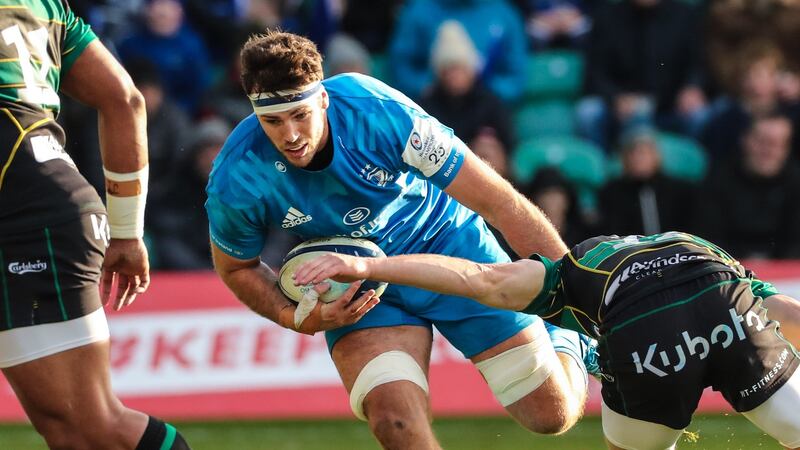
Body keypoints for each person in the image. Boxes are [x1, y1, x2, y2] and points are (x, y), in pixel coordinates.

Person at [206, 30, 596, 448]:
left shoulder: (379, 112)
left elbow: (501, 204)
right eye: (273, 121)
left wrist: (581, 292)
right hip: (358, 289)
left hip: (448, 246)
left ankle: (567, 341)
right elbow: (236, 267)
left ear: (323, 98)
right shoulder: (237, 176)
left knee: (550, 415)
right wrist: (296, 318)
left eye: (300, 114)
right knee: (395, 424)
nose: (291, 136)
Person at [294, 231, 800, 450]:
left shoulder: (569, 271)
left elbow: (477, 280)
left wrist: (367, 265)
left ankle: (580, 347)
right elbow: (779, 312)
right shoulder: (693, 245)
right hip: (727, 307)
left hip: (643, 336)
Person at [0, 1, 189, 449]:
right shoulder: (43, 5)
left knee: (91, 431)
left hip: (28, 218)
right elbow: (124, 98)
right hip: (46, 204)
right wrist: (126, 230)